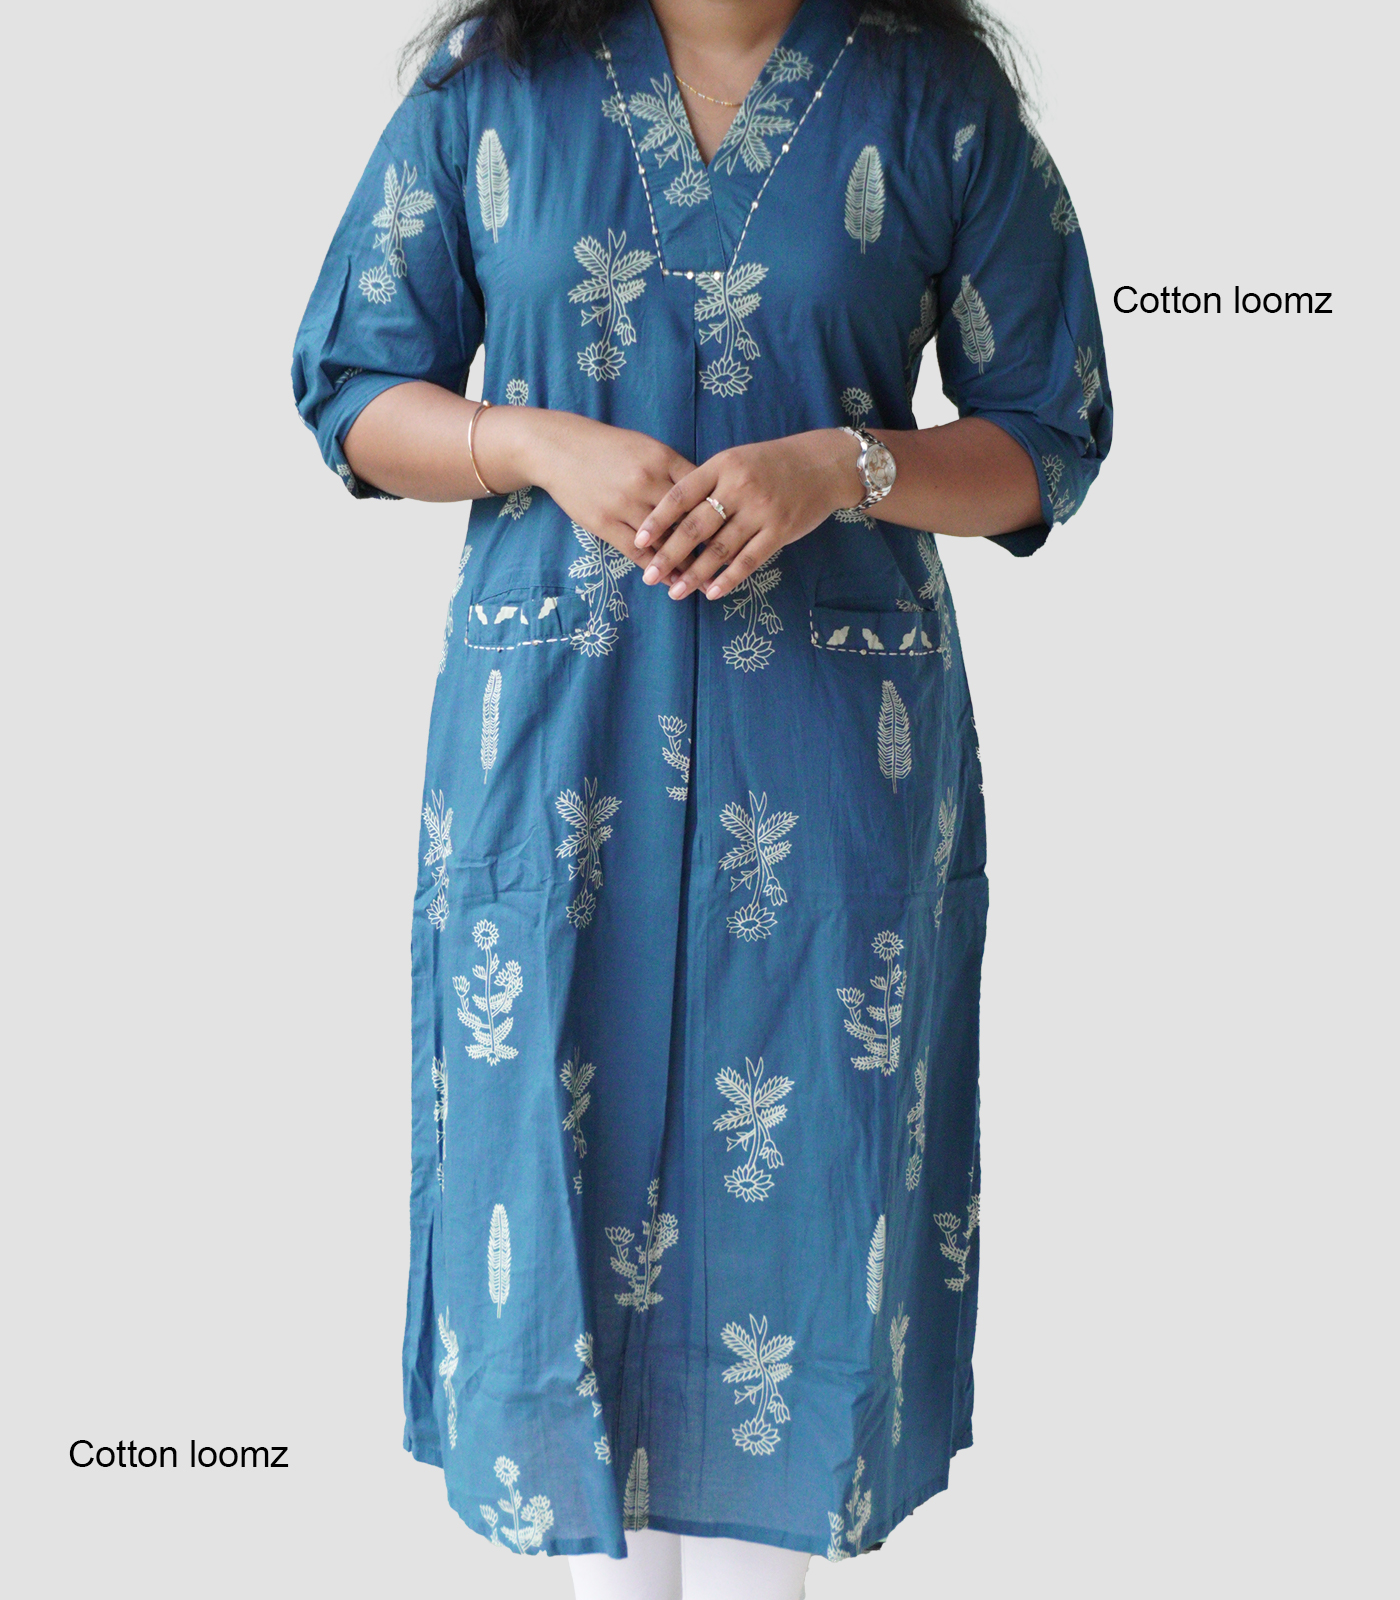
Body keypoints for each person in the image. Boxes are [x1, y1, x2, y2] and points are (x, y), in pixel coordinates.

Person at [291, 1, 1111, 1594]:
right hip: (556, 747)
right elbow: (352, 389)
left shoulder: (928, 101)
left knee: (797, 1218)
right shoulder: (494, 94)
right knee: (556, 1177)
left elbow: (1048, 432)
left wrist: (846, 467)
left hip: (829, 757)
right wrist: (529, 443)